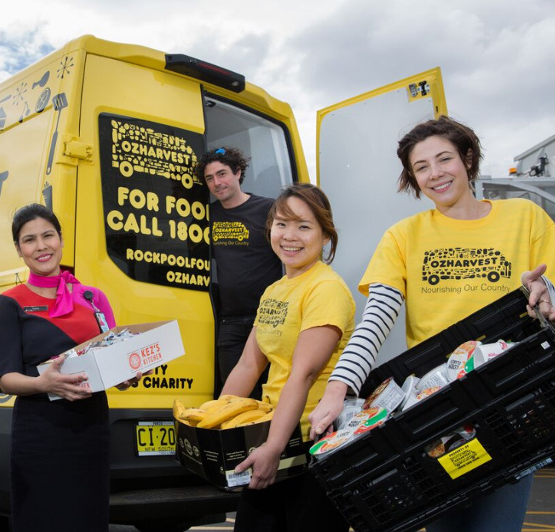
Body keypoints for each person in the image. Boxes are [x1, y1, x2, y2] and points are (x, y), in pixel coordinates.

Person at [308, 116, 555, 532]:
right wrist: (339, 388)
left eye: (445, 159)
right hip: (437, 411)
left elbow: (550, 284)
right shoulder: (404, 236)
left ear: (468, 159)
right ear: (412, 177)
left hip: (510, 398)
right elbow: (378, 317)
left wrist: (547, 292)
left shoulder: (525, 218)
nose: (435, 173)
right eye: (421, 167)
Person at [0, 203, 142, 532]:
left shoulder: (93, 298)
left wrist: (126, 374)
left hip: (90, 429)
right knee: (40, 519)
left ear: (61, 239)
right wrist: (44, 384)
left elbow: (110, 361)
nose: (41, 246)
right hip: (39, 431)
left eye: (48, 236)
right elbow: (6, 378)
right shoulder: (9, 303)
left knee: (87, 518)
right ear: (19, 249)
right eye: (29, 240)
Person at [219, 183, 354, 532]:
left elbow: (303, 374)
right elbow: (249, 366)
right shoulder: (274, 291)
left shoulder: (326, 289)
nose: (289, 236)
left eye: (303, 226)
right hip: (272, 437)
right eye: (281, 224)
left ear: (325, 236)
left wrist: (274, 448)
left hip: (313, 446)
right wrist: (217, 427)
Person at [197, 147, 283, 398]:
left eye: (222, 174)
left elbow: (292, 251)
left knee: (273, 395)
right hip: (230, 321)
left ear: (238, 172)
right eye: (210, 178)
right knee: (235, 399)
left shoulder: (268, 209)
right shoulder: (208, 215)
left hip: (269, 318)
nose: (217, 183)